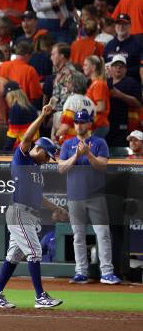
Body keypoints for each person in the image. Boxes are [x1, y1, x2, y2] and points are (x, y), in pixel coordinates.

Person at [0, 104, 68, 309]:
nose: (49, 160)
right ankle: (40, 296)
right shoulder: (22, 159)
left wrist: (56, 208)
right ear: (38, 148)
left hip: (28, 213)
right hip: (18, 212)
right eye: (48, 155)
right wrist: (42, 116)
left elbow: (38, 198)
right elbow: (25, 139)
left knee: (14, 255)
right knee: (34, 252)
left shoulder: (37, 170)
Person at [58, 109, 121, 285]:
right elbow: (61, 168)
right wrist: (77, 156)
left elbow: (102, 166)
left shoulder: (99, 142)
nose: (79, 125)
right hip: (75, 196)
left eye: (82, 122)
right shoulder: (68, 144)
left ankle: (107, 272)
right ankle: (80, 272)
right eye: (77, 122)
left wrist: (88, 154)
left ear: (89, 124)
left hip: (95, 196)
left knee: (103, 233)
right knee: (78, 236)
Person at [106, 55, 141, 146]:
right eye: (115, 65)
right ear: (111, 68)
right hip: (108, 124)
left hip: (124, 124)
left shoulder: (131, 82)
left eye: (121, 66)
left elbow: (138, 104)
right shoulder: (106, 82)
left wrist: (120, 95)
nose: (118, 68)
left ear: (125, 69)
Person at [55, 71, 96, 143]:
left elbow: (65, 126)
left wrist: (56, 136)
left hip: (72, 142)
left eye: (68, 82)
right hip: (87, 142)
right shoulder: (90, 102)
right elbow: (94, 126)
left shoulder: (72, 100)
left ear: (74, 85)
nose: (66, 84)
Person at [103, 13, 142, 83]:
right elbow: (104, 64)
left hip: (130, 85)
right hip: (111, 85)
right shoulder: (109, 45)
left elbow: (140, 68)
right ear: (115, 26)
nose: (121, 27)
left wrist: (122, 72)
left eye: (124, 24)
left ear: (130, 26)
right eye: (118, 24)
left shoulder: (138, 45)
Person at [4, 82, 39, 151]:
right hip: (33, 147)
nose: (5, 98)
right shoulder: (31, 108)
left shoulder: (15, 110)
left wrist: (5, 151)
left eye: (6, 95)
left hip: (20, 149)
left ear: (11, 95)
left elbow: (12, 135)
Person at [83, 55, 111, 138]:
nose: (83, 67)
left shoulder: (99, 84)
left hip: (99, 124)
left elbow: (101, 107)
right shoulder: (93, 83)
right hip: (94, 124)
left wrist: (83, 109)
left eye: (86, 65)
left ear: (93, 67)